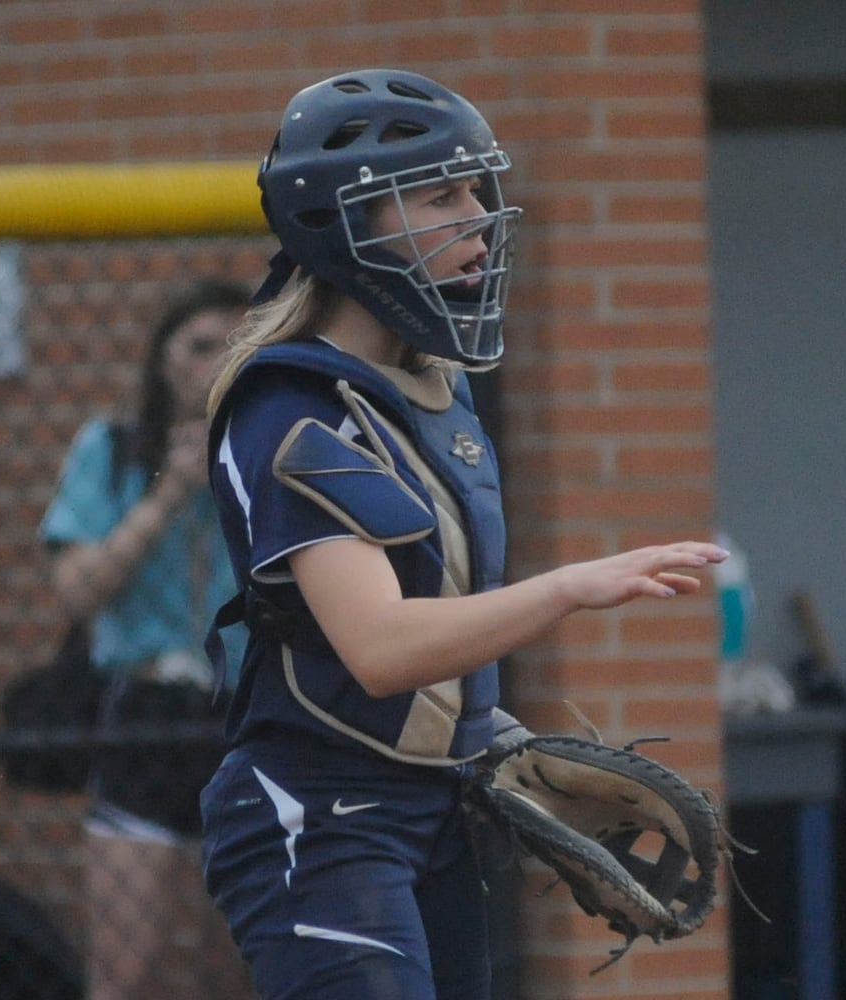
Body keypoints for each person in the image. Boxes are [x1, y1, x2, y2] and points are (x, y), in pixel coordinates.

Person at [199, 68, 729, 1000]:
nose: (479, 216)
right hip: (319, 815)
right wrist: (569, 588)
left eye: (477, 188)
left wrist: (486, 732)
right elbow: (377, 649)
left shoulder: (433, 391)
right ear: (345, 221)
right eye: (441, 194)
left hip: (429, 807)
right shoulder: (295, 409)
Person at [40, 279, 256, 1000]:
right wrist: (168, 494)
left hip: (245, 710)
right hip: (147, 708)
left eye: (234, 345)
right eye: (198, 346)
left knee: (238, 963)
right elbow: (77, 591)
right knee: (127, 972)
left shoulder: (269, 452)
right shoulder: (112, 449)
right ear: (163, 360)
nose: (215, 363)